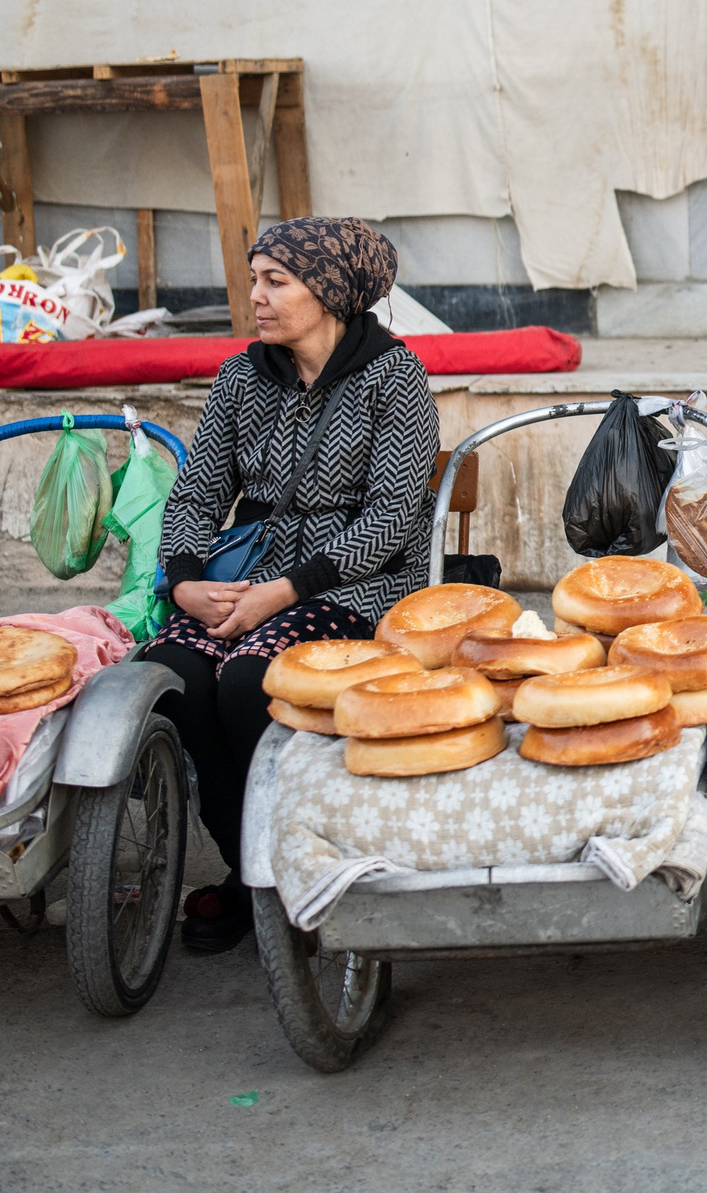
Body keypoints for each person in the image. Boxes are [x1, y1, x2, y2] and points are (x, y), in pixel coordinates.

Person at [145, 217, 439, 953]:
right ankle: (252, 872)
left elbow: (394, 518)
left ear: (331, 291)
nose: (257, 298)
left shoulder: (394, 377)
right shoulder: (244, 376)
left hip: (356, 581)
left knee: (252, 680)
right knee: (172, 671)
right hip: (251, 572)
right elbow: (197, 494)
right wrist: (182, 581)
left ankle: (297, 864)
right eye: (255, 281)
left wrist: (287, 592)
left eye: (276, 281)